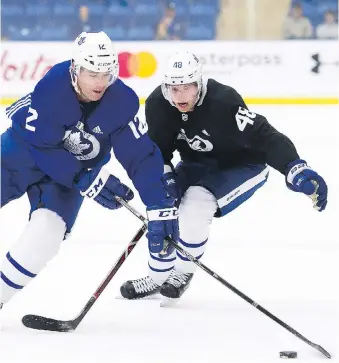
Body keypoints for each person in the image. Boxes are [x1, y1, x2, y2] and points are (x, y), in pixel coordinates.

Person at [120, 51, 328, 304]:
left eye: (187, 87)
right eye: (174, 88)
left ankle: (182, 272)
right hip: (196, 164)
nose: (180, 96)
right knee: (162, 208)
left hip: (241, 165)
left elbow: (264, 136)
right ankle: (157, 276)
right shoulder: (158, 104)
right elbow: (158, 153)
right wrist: (166, 179)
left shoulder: (224, 101)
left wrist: (294, 167)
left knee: (196, 205)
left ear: (199, 83)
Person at [0, 32, 178, 313]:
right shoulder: (53, 87)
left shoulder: (121, 102)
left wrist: (159, 204)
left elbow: (140, 154)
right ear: (75, 69)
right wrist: (83, 177)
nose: (99, 82)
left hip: (68, 177)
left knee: (47, 234)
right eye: (92, 73)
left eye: (105, 73)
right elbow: (42, 146)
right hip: (21, 154)